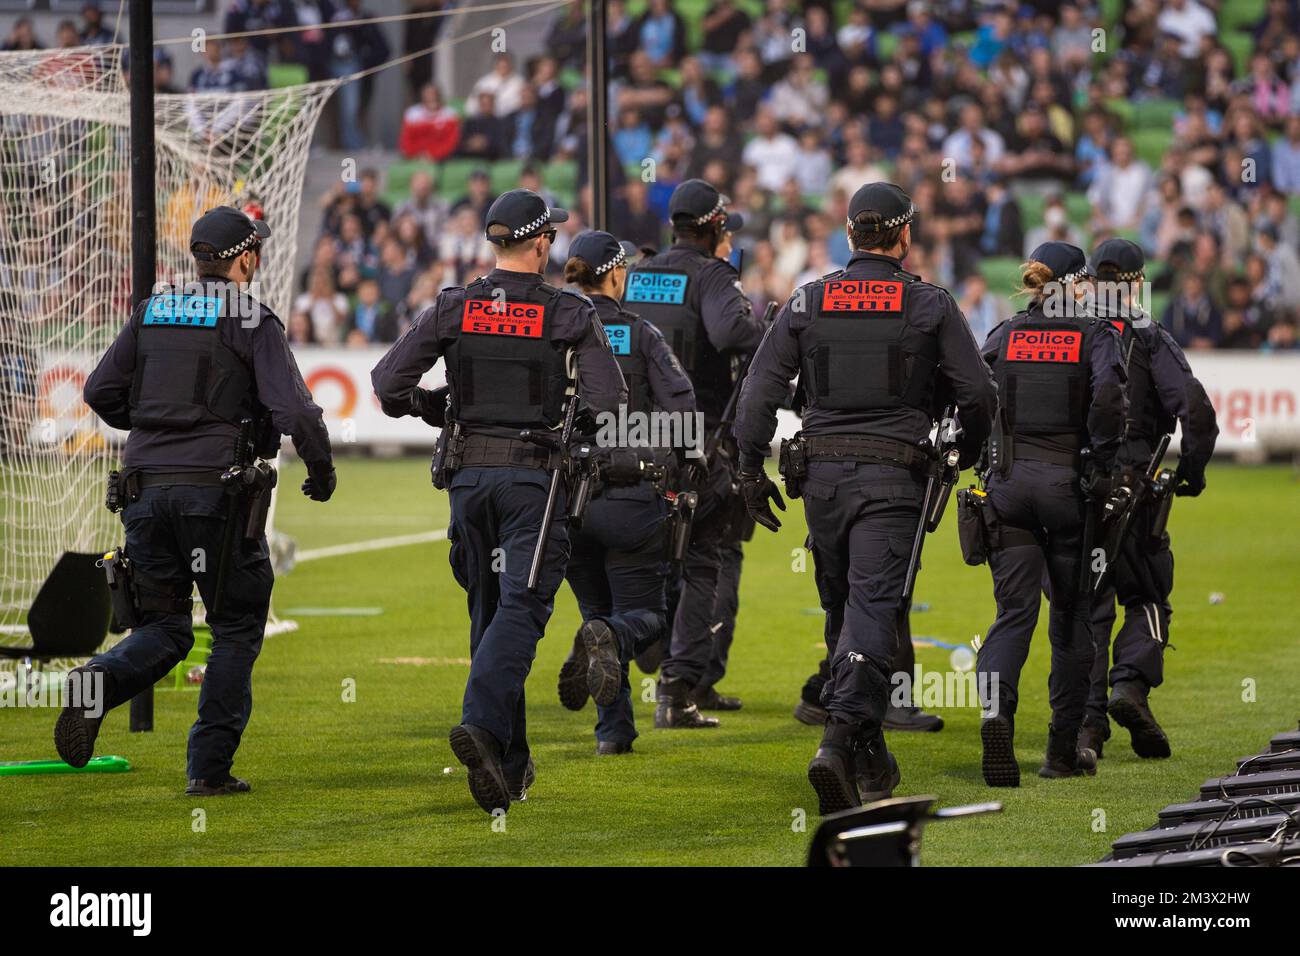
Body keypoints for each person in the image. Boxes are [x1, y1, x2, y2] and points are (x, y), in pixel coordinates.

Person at [733, 182, 996, 815]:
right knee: (874, 609)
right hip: (893, 478)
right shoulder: (929, 303)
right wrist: (965, 450)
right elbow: (980, 393)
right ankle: (838, 739)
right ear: (904, 237)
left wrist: (746, 468)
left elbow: (758, 390)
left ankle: (872, 757)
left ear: (849, 235)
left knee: (844, 612)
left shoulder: (806, 299)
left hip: (819, 480)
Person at [58, 206, 336, 795]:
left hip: (142, 487)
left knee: (164, 625)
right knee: (234, 626)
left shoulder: (152, 310)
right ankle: (208, 770)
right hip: (216, 495)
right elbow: (294, 412)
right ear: (243, 257)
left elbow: (99, 390)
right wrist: (320, 468)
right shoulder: (251, 317)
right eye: (255, 250)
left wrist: (158, 425)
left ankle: (95, 683)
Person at [371, 189, 625, 814]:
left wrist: (433, 408)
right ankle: (481, 726)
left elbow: (387, 383)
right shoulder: (566, 313)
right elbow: (612, 401)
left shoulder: (457, 305)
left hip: (467, 482)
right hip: (532, 483)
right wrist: (582, 433)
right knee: (523, 608)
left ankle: (509, 765)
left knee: (489, 615)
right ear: (542, 243)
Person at [974, 242, 1127, 787]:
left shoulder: (1005, 333)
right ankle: (1061, 752)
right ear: (1080, 284)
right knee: (1070, 619)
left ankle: (997, 717)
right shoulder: (1095, 336)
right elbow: (1109, 401)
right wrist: (1102, 464)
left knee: (1012, 616)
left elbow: (970, 391)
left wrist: (983, 459)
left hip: (1009, 489)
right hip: (1068, 491)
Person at [625, 179, 766, 727]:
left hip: (631, 433)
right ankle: (687, 682)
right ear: (715, 228)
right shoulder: (711, 274)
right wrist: (762, 326)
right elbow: (733, 333)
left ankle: (630, 645)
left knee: (647, 554)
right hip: (698, 436)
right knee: (713, 555)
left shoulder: (636, 274)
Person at [555, 232, 696, 754]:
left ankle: (614, 732)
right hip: (630, 494)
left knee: (595, 609)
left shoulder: (556, 331)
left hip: (567, 500)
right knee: (647, 617)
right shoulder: (641, 335)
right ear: (617, 275)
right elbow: (685, 413)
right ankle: (610, 643)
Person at [1079, 239, 1219, 761]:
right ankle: (1131, 687)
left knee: (1087, 606)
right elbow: (1197, 412)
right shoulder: (1151, 337)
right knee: (1147, 595)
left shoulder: (1071, 330)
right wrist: (1192, 474)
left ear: (1090, 281)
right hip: (1135, 488)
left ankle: (1085, 728)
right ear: (1138, 282)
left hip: (1078, 490)